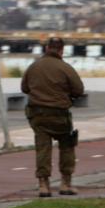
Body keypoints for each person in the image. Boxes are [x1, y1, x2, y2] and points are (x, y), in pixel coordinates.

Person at [20, 36, 85, 197]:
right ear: (62, 50)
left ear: (46, 48)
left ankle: (43, 185)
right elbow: (78, 90)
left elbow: (24, 88)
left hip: (38, 115)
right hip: (59, 115)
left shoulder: (33, 67)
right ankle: (65, 183)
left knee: (43, 149)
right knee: (67, 147)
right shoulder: (66, 68)